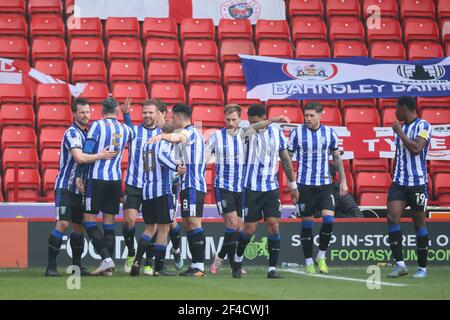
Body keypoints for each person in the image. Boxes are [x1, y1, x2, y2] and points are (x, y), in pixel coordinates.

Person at [45, 98, 116, 276]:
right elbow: (79, 158)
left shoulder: (90, 132)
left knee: (79, 228)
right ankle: (51, 267)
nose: (85, 115)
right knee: (62, 224)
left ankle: (76, 266)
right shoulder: (72, 133)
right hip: (66, 187)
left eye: (88, 111)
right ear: (74, 114)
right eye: (82, 112)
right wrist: (101, 155)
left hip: (82, 190)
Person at [232, 104, 299, 279]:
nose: (252, 123)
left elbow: (285, 158)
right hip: (251, 187)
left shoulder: (276, 134)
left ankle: (272, 269)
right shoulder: (246, 132)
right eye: (250, 120)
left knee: (274, 226)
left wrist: (292, 185)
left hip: (271, 187)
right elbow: (253, 128)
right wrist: (271, 121)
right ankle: (237, 261)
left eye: (255, 120)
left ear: (263, 117)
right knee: (249, 230)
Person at [288, 102, 348, 274]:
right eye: (306, 115)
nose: (308, 119)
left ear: (321, 114)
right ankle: (308, 261)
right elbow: (288, 159)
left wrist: (343, 180)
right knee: (307, 224)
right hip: (304, 185)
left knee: (329, 220)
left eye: (311, 115)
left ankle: (321, 256)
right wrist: (291, 183)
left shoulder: (329, 133)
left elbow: (336, 158)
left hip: (325, 185)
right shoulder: (297, 133)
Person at [149, 103, 207, 277]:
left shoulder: (189, 132)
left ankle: (199, 268)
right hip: (186, 185)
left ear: (181, 117)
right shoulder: (189, 133)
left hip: (194, 184)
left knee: (194, 223)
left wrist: (162, 137)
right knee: (188, 224)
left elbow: (178, 137)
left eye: (174, 117)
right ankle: (195, 265)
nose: (172, 120)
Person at [75, 97, 132, 275]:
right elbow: (133, 133)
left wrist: (79, 175)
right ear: (117, 111)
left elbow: (88, 151)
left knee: (89, 221)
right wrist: (127, 115)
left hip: (96, 178)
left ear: (101, 111)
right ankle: (108, 269)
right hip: (115, 180)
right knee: (109, 223)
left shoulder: (98, 126)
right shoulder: (125, 129)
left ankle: (107, 260)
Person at [130, 122, 186, 276]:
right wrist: (176, 168)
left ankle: (136, 261)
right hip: (162, 191)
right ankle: (158, 268)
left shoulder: (148, 144)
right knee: (163, 229)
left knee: (149, 229)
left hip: (147, 191)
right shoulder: (164, 143)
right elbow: (162, 157)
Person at [386, 96, 432, 279]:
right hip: (399, 182)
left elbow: (416, 149)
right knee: (391, 217)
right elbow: (400, 152)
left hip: (417, 183)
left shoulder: (423, 126)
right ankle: (400, 265)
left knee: (419, 223)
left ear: (405, 108)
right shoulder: (401, 128)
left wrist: (400, 133)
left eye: (397, 109)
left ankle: (422, 268)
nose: (395, 113)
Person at [141, 101, 184, 274]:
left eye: (157, 113)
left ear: (163, 114)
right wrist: (175, 168)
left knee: (170, 224)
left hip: (170, 187)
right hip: (160, 187)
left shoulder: (176, 135)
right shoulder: (156, 137)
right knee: (161, 226)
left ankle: (176, 252)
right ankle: (153, 264)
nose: (154, 117)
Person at [120, 98, 161, 274]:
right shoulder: (134, 131)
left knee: (152, 225)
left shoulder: (162, 134)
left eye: (151, 112)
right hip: (133, 184)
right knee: (129, 221)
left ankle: (149, 261)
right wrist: (126, 114)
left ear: (157, 114)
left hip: (153, 186)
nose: (147, 115)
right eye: (145, 112)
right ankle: (130, 252)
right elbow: (124, 128)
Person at [207, 104, 246, 275]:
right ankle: (235, 266)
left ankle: (220, 257)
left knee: (239, 228)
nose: (230, 123)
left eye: (234, 119)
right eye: (228, 119)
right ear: (224, 119)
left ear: (240, 119)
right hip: (223, 186)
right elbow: (206, 156)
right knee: (232, 224)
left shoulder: (246, 135)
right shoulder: (217, 136)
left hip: (243, 187)